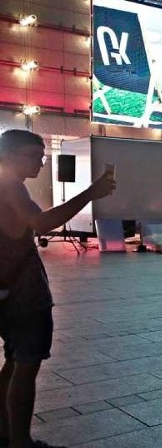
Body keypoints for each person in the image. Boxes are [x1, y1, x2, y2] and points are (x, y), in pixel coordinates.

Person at [0, 130, 116, 448]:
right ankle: (21, 441)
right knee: (26, 364)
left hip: (7, 288)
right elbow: (42, 223)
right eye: (33, 154)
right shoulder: (9, 185)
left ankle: (5, 431)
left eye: (42, 155)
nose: (40, 161)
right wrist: (89, 193)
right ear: (9, 155)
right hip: (24, 294)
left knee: (13, 360)